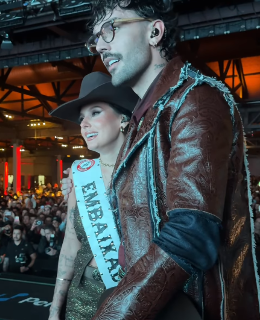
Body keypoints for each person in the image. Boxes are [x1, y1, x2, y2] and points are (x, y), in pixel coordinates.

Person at [61, 1, 260, 319]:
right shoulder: (145, 119)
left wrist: (114, 313)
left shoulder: (194, 100)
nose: (99, 45)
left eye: (110, 29)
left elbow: (190, 234)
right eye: (96, 37)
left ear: (155, 31)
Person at [48, 72, 138, 320]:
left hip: (133, 298)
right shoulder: (79, 175)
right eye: (81, 118)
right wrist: (55, 310)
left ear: (123, 118)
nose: (84, 124)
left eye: (95, 112)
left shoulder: (147, 171)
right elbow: (70, 244)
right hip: (81, 295)